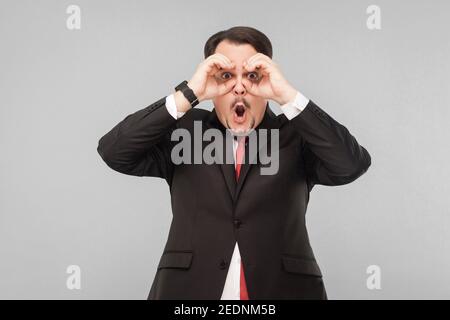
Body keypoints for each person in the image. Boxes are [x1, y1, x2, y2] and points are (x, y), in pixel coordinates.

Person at [97, 26, 371, 300]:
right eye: (226, 76)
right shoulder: (185, 131)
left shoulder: (297, 134)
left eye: (252, 76)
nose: (239, 87)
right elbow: (114, 151)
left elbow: (351, 164)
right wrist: (190, 93)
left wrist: (287, 95)